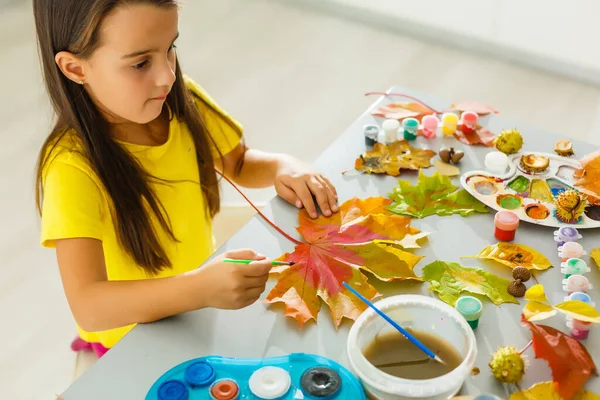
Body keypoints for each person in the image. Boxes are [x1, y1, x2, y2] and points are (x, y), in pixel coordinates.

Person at [33, 0, 338, 358]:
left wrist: (282, 166)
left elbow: (238, 164)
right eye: (141, 63)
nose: (167, 76)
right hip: (132, 343)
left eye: (170, 49)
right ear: (75, 68)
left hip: (197, 308)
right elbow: (89, 306)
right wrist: (199, 289)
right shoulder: (71, 168)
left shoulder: (180, 99)